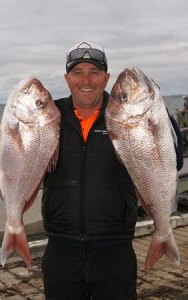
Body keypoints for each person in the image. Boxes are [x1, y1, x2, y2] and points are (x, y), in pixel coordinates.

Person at [41, 41, 183, 300]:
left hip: (115, 251)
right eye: (77, 72)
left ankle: (163, 234)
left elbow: (175, 160)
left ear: (106, 78)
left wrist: (160, 117)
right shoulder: (51, 116)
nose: (86, 80)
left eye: (94, 72)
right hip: (60, 252)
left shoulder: (122, 115)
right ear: (66, 78)